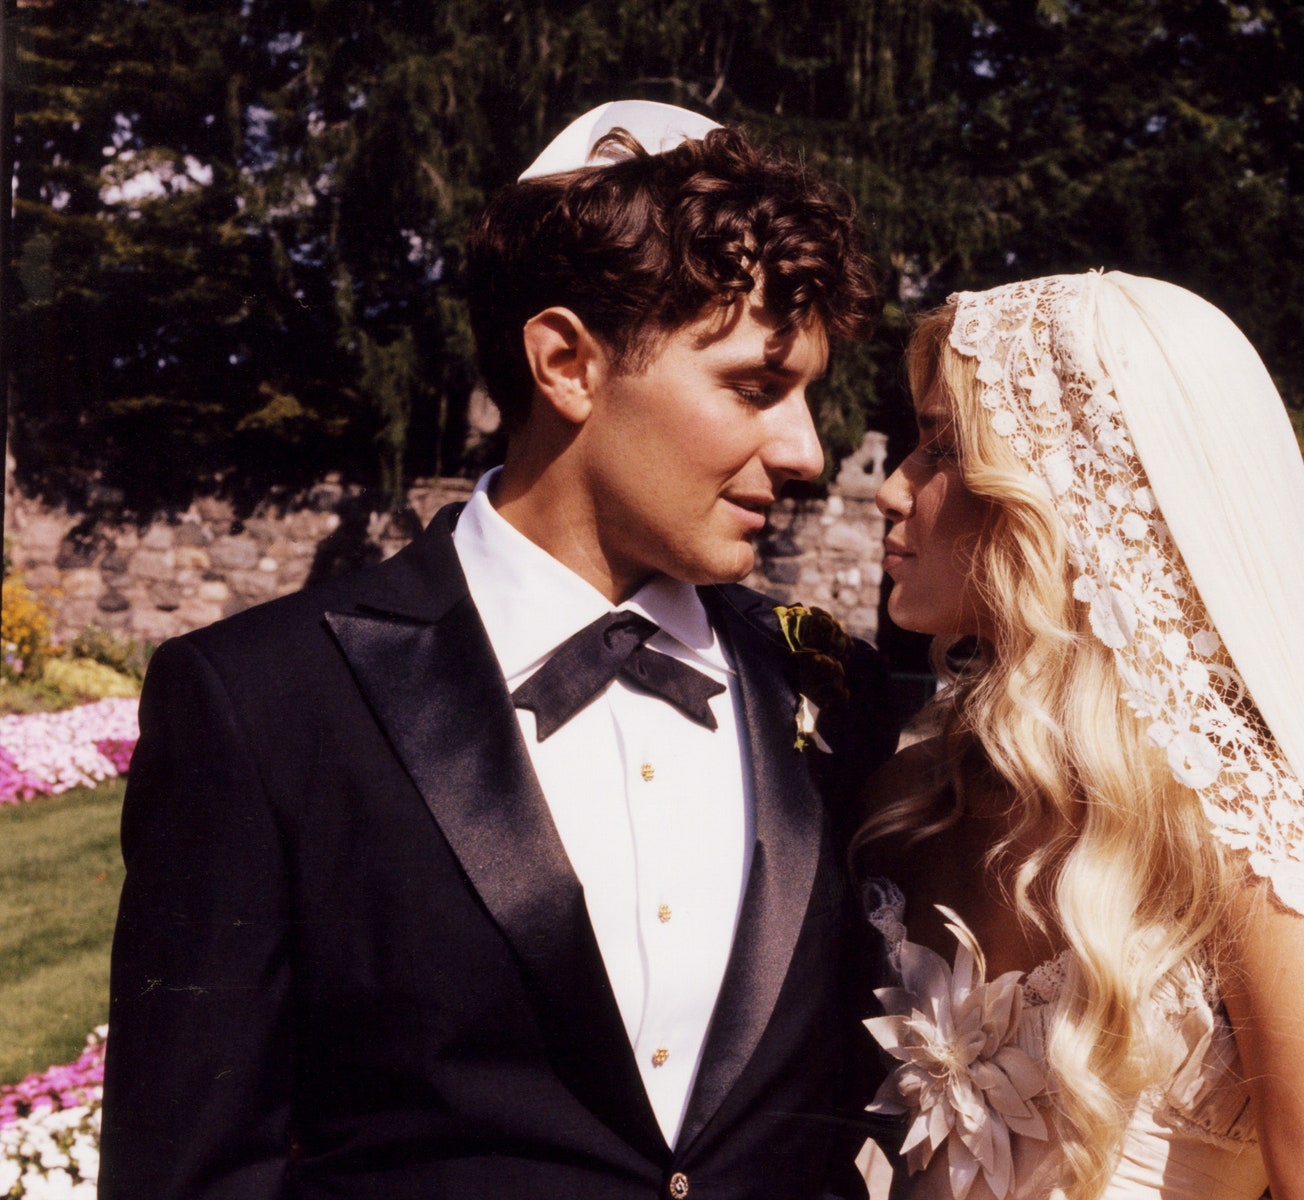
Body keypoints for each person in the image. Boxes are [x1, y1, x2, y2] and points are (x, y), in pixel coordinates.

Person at [101, 101, 896, 1200]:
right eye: (755, 387)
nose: (806, 450)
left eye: (808, 393)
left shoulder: (828, 690)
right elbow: (189, 1174)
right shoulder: (262, 702)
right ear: (566, 362)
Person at [855, 272, 1304, 1199]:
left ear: (1066, 499)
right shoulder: (908, 800)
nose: (894, 490)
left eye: (941, 448)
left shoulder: (1238, 847)